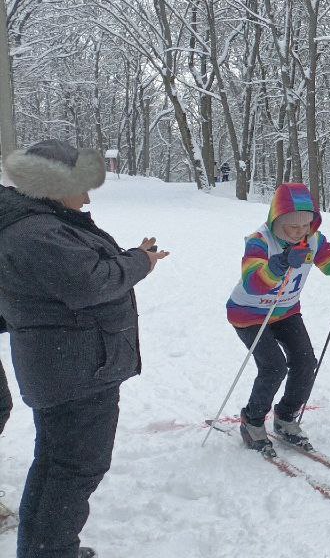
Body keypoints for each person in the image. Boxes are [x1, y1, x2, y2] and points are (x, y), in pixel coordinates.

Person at [0, 139, 169, 558]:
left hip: (69, 364)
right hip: (75, 372)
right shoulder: (36, 231)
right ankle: (51, 551)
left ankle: (45, 549)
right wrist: (139, 263)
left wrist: (132, 258)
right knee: (75, 467)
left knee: (57, 463)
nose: (88, 195)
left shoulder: (40, 221)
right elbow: (90, 282)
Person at [225, 183, 330, 454]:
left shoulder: (312, 240)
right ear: (276, 221)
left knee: (305, 362)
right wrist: (278, 264)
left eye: (306, 225)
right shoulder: (259, 241)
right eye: (292, 227)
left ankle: (285, 417)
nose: (300, 232)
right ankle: (252, 420)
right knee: (274, 367)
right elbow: (253, 283)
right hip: (249, 314)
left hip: (286, 311)